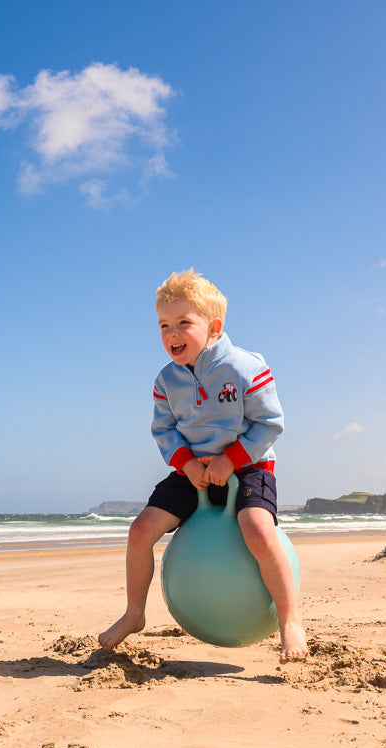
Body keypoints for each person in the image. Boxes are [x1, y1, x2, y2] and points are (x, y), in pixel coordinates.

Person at [98, 269, 308, 663]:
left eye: (183, 323)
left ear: (214, 327)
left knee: (259, 532)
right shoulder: (166, 380)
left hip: (248, 466)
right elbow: (164, 431)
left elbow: (270, 424)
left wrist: (232, 460)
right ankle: (134, 613)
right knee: (140, 531)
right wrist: (188, 464)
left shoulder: (245, 368)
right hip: (193, 471)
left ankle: (289, 619)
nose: (171, 333)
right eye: (164, 325)